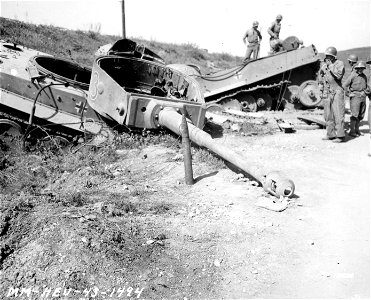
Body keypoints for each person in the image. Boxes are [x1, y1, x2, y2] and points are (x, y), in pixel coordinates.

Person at [318, 46, 346, 142]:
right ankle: (330, 134)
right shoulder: (324, 65)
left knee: (338, 114)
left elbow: (338, 76)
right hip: (327, 92)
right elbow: (321, 77)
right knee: (328, 115)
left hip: (337, 91)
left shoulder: (339, 64)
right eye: (326, 56)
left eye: (329, 56)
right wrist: (321, 89)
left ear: (334, 56)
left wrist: (329, 67)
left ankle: (341, 136)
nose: (327, 58)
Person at [343, 61, 370, 137]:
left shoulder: (364, 76)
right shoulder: (352, 75)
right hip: (355, 97)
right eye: (359, 68)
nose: (360, 70)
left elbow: (367, 86)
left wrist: (365, 93)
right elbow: (344, 85)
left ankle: (357, 130)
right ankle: (352, 131)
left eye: (362, 68)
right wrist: (348, 94)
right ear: (356, 68)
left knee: (361, 115)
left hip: (363, 97)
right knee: (354, 114)